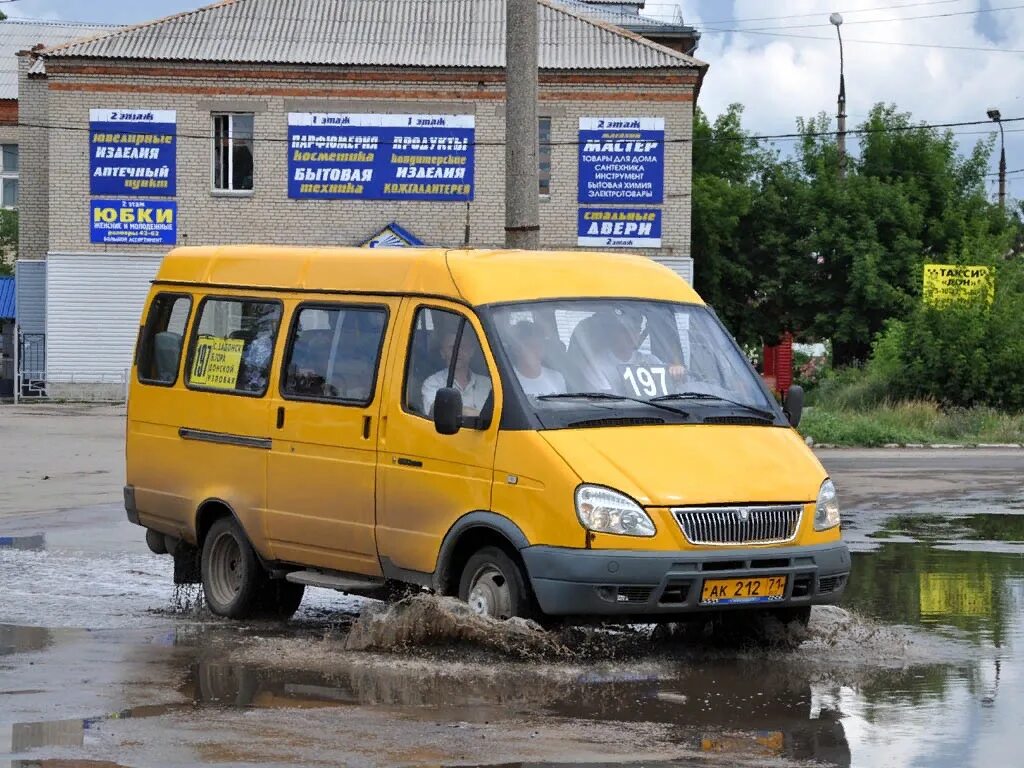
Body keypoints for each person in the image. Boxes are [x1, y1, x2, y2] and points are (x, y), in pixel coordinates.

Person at [588, 313, 685, 395]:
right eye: (625, 330)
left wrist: (676, 372)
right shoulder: (598, 366)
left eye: (636, 330)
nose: (631, 335)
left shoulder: (651, 361)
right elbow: (606, 401)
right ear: (613, 332)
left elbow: (672, 387)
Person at [421, 329, 492, 417]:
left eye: (464, 347)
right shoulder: (432, 383)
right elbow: (433, 412)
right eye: (452, 348)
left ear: (471, 352)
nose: (458, 352)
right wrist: (476, 414)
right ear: (442, 353)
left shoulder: (488, 384)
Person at [509, 321, 566, 396]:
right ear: (516, 349)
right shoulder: (507, 380)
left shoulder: (557, 378)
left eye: (539, 345)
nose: (537, 350)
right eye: (530, 346)